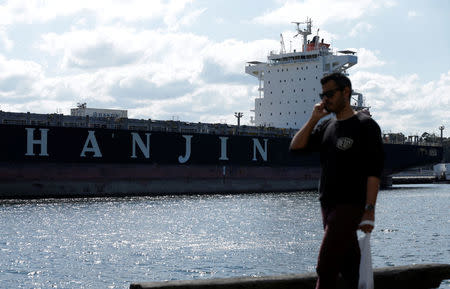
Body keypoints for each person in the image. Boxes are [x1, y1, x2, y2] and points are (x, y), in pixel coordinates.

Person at [289, 72, 384, 289]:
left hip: (351, 204)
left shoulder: (365, 125)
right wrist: (314, 118)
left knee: (326, 266)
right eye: (323, 95)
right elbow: (295, 147)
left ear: (346, 92)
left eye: (330, 94)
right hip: (327, 204)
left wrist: (369, 209)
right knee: (350, 266)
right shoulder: (326, 127)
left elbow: (374, 171)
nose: (325, 99)